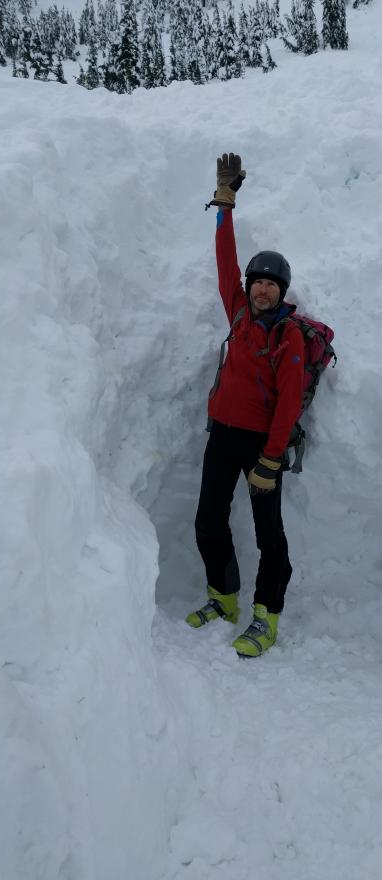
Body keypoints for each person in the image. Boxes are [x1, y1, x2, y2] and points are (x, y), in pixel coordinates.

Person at [186, 153, 305, 657]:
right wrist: (225, 207)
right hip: (223, 434)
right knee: (208, 520)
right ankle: (223, 597)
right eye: (257, 280)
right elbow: (225, 263)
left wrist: (271, 459)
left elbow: (290, 402)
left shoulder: (288, 335)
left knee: (268, 535)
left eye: (270, 283)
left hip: (262, 446)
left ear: (280, 293)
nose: (261, 287)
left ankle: (266, 616)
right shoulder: (237, 312)